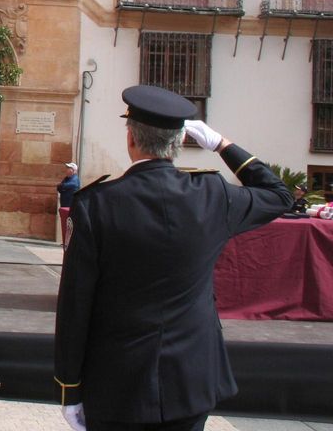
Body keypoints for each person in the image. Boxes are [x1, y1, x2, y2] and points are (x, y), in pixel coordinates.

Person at [54, 85, 293, 431]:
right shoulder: (213, 196)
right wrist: (222, 144)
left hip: (117, 383)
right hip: (191, 380)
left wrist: (69, 387)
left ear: (131, 140)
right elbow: (279, 195)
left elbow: (76, 304)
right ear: (180, 142)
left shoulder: (97, 204)